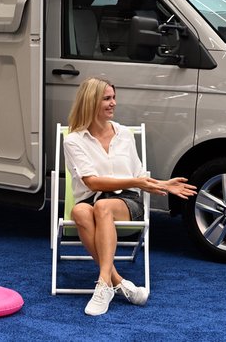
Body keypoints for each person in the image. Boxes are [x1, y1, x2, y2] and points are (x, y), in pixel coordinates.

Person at [62, 77, 197, 316]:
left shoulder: (124, 134)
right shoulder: (74, 140)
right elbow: (91, 182)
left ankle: (103, 284)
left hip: (126, 200)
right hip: (91, 197)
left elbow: (138, 174)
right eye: (107, 98)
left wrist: (163, 184)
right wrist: (137, 181)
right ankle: (118, 282)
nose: (113, 103)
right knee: (79, 211)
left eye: (114, 97)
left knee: (103, 207)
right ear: (91, 101)